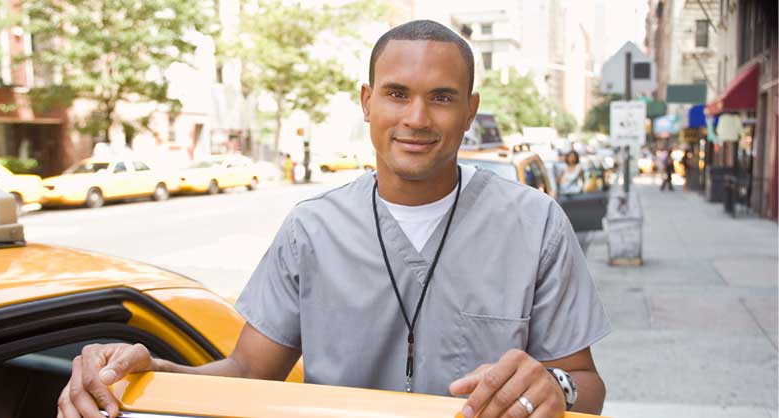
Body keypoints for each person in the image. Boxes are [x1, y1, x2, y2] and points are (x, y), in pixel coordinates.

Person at [57, 20, 611, 418]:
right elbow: (248, 376)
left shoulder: (535, 224)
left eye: (441, 97)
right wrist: (147, 369)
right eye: (397, 94)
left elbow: (587, 387)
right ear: (368, 102)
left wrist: (553, 386)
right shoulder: (311, 230)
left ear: (471, 109)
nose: (416, 118)